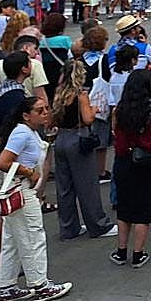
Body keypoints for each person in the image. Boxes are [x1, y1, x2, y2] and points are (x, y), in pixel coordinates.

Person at [0, 94, 72, 301]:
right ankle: (40, 285)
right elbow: (3, 162)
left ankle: (7, 285)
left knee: (12, 239)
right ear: (27, 116)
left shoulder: (28, 132)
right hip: (22, 190)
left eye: (46, 108)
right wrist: (29, 173)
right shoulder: (22, 133)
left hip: (19, 190)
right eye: (40, 110)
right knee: (33, 236)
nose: (45, 113)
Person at [51, 59, 116, 240]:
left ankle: (69, 227)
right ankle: (97, 225)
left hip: (61, 139)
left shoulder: (59, 94)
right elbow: (87, 119)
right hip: (78, 139)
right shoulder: (80, 95)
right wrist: (93, 109)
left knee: (64, 187)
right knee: (87, 186)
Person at [109, 70, 151, 267]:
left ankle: (121, 251)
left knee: (124, 208)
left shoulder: (119, 110)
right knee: (143, 208)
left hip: (124, 161)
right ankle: (138, 253)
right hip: (147, 162)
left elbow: (115, 133)